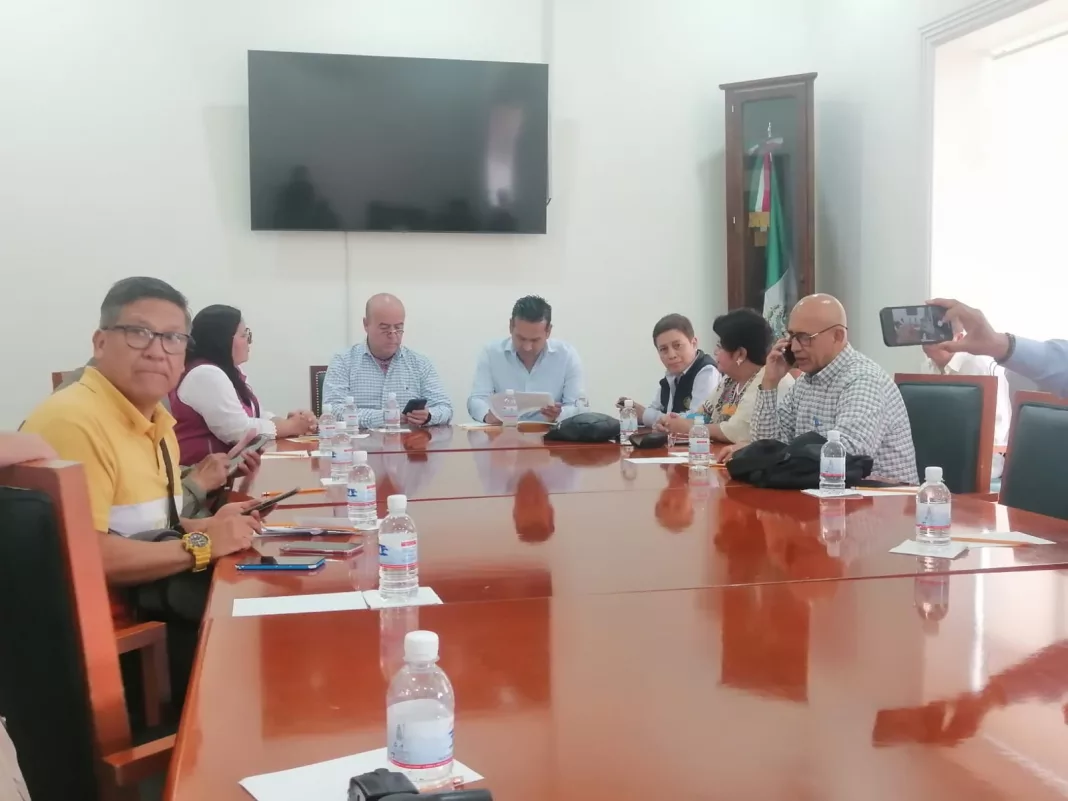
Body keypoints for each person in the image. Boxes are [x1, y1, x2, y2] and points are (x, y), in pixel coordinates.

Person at [21, 277, 262, 709]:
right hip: (115, 648)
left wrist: (211, 524)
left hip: (156, 610)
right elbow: (87, 555)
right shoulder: (74, 420)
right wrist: (203, 545)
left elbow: (152, 525)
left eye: (173, 338)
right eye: (138, 332)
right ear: (100, 342)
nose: (156, 350)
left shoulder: (155, 421)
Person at [751, 293, 918, 485]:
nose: (794, 347)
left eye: (804, 338)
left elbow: (845, 458)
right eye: (792, 336)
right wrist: (770, 382)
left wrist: (786, 456)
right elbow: (766, 448)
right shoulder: (805, 381)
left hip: (880, 497)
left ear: (838, 336)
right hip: (825, 491)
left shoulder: (863, 380)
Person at [170, 304, 317, 465]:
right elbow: (238, 431)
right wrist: (291, 426)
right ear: (222, 339)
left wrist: (291, 421)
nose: (249, 341)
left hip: (229, 469)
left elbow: (257, 415)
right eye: (243, 335)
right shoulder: (205, 374)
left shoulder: (231, 371)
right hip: (199, 472)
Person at [655, 308, 795, 443]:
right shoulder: (729, 380)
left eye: (720, 346)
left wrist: (690, 428)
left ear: (740, 354)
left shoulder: (771, 379)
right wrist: (674, 422)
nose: (715, 351)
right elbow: (703, 415)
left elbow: (737, 431)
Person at [323, 293, 452, 427]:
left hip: (408, 439)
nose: (393, 335)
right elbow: (333, 410)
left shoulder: (420, 363)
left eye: (398, 328)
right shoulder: (343, 361)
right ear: (366, 324)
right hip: (359, 439)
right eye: (384, 328)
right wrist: (385, 417)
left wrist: (429, 416)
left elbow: (445, 408)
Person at [468, 295, 585, 424]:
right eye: (521, 338)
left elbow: (579, 407)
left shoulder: (566, 355)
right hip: (504, 432)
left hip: (551, 433)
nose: (527, 347)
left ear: (548, 331)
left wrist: (560, 414)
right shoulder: (491, 353)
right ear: (511, 326)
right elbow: (477, 399)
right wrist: (488, 416)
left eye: (535, 340)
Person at [921, 318, 1011, 480]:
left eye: (935, 334)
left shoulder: (982, 365)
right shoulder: (926, 366)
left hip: (980, 456)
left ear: (959, 338)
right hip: (938, 451)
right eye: (924, 333)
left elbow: (1000, 426)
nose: (927, 340)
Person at [929, 298, 1068, 397]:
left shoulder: (978, 365)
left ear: (959, 337)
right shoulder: (928, 366)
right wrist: (995, 343)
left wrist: (996, 344)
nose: (930, 343)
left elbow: (997, 424)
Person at [618, 313, 720, 428]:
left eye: (677, 345)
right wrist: (635, 413)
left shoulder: (707, 371)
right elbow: (656, 408)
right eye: (663, 349)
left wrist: (645, 415)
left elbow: (698, 419)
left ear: (694, 343)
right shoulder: (672, 376)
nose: (671, 355)